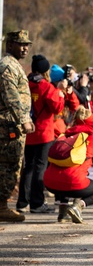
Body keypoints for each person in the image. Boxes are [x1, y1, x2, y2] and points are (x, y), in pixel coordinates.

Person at [18, 54, 65, 214]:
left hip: (28, 131)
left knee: (28, 167)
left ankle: (22, 202)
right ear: (46, 70)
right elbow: (57, 109)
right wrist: (60, 94)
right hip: (44, 132)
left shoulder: (25, 83)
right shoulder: (47, 87)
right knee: (40, 167)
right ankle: (37, 203)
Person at [43, 107, 93, 223]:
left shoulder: (64, 135)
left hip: (50, 182)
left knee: (67, 177)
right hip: (74, 182)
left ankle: (63, 213)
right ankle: (78, 207)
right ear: (92, 122)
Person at [0, 30, 34, 222]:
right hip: (8, 126)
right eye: (21, 44)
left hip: (12, 125)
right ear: (10, 44)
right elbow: (11, 97)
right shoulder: (7, 66)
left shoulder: (14, 65)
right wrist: (24, 119)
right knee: (7, 166)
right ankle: (1, 206)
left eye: (27, 45)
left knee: (12, 165)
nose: (25, 48)